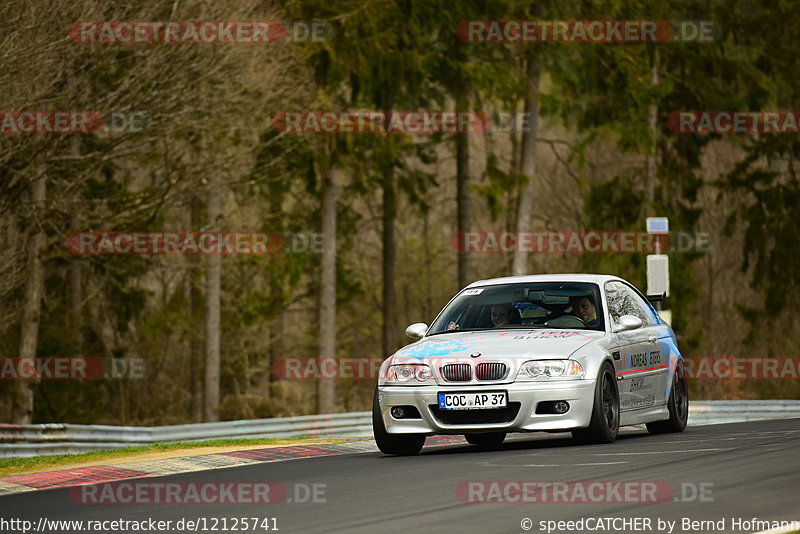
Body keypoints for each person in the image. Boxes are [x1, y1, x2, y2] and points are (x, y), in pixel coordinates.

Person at [448, 304, 519, 330]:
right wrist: (452, 333)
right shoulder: (480, 331)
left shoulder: (518, 332)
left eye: (502, 315)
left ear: (510, 316)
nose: (497, 318)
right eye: (494, 315)